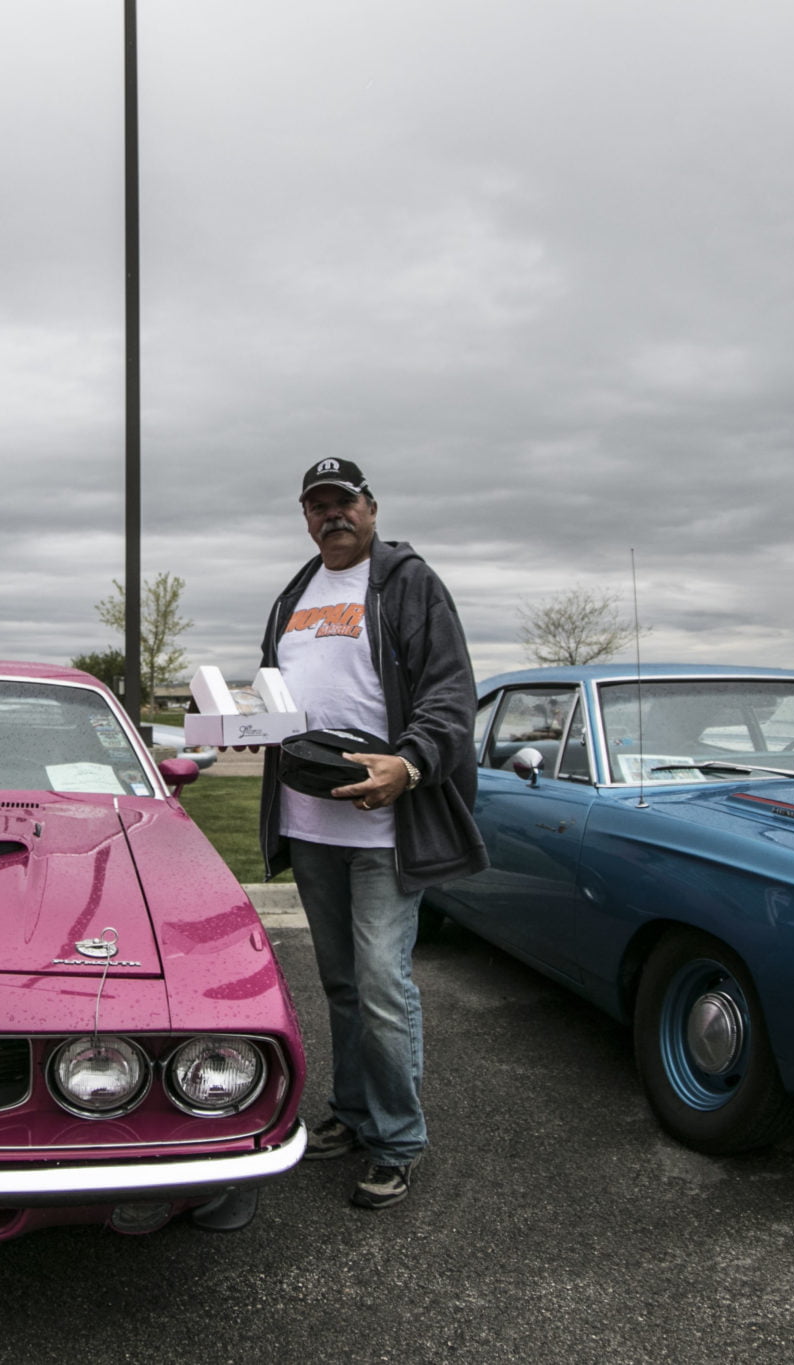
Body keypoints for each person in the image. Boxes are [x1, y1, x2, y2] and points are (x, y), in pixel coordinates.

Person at [259, 457, 487, 1210]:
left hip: (386, 825)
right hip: (312, 820)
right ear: (306, 515)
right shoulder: (294, 594)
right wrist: (250, 725)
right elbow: (283, 695)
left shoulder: (409, 583)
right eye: (317, 505)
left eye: (344, 502)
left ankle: (396, 1139)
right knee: (342, 984)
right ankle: (353, 1113)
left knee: (385, 985)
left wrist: (411, 765)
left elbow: (451, 696)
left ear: (372, 507)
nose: (333, 515)